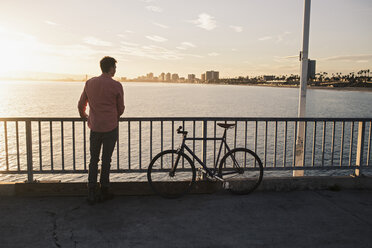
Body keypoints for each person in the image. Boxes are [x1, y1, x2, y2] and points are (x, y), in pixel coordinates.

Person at [78, 56, 125, 205]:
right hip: (110, 127)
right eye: (115, 67)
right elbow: (121, 109)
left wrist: (84, 115)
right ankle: (104, 189)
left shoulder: (90, 83)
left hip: (95, 127)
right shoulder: (117, 85)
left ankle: (91, 191)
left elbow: (81, 104)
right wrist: (113, 115)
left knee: (93, 160)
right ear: (110, 68)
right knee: (106, 160)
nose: (115, 70)